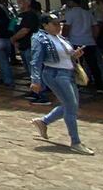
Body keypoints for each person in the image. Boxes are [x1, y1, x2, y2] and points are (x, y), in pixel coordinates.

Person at [29, 12, 94, 155]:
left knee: (70, 105)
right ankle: (75, 142)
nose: (58, 26)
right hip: (56, 74)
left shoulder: (60, 38)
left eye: (59, 23)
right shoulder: (40, 38)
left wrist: (74, 55)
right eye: (55, 24)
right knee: (71, 107)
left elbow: (65, 55)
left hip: (68, 73)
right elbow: (36, 61)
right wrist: (35, 80)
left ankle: (43, 122)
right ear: (45, 25)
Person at [63, 0, 103, 95]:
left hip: (75, 41)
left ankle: (79, 85)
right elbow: (96, 27)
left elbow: (66, 27)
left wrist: (64, 37)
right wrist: (94, 38)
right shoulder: (88, 13)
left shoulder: (70, 13)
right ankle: (99, 86)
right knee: (93, 64)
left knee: (77, 65)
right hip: (89, 42)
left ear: (72, 2)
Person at [13, 0, 48, 103]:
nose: (19, 4)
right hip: (23, 46)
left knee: (35, 70)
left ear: (28, 3)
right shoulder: (20, 15)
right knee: (30, 70)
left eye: (21, 1)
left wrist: (13, 38)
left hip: (31, 46)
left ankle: (41, 94)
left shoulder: (31, 15)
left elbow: (25, 30)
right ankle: (35, 91)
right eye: (18, 2)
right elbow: (15, 27)